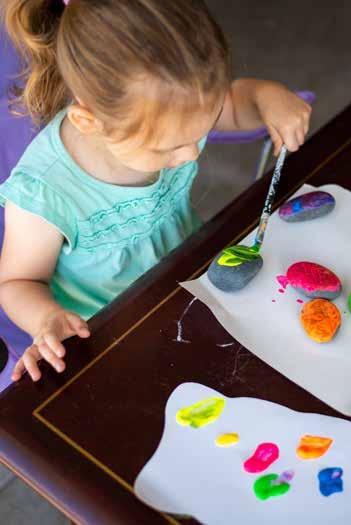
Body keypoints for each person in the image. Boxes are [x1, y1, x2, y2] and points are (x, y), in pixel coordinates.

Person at [0, 0, 311, 382]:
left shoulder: (174, 113)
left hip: (191, 284)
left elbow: (233, 103)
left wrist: (264, 96)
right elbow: (17, 282)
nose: (192, 153)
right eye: (170, 147)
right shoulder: (45, 194)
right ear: (89, 121)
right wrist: (46, 317)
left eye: (203, 129)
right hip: (110, 339)